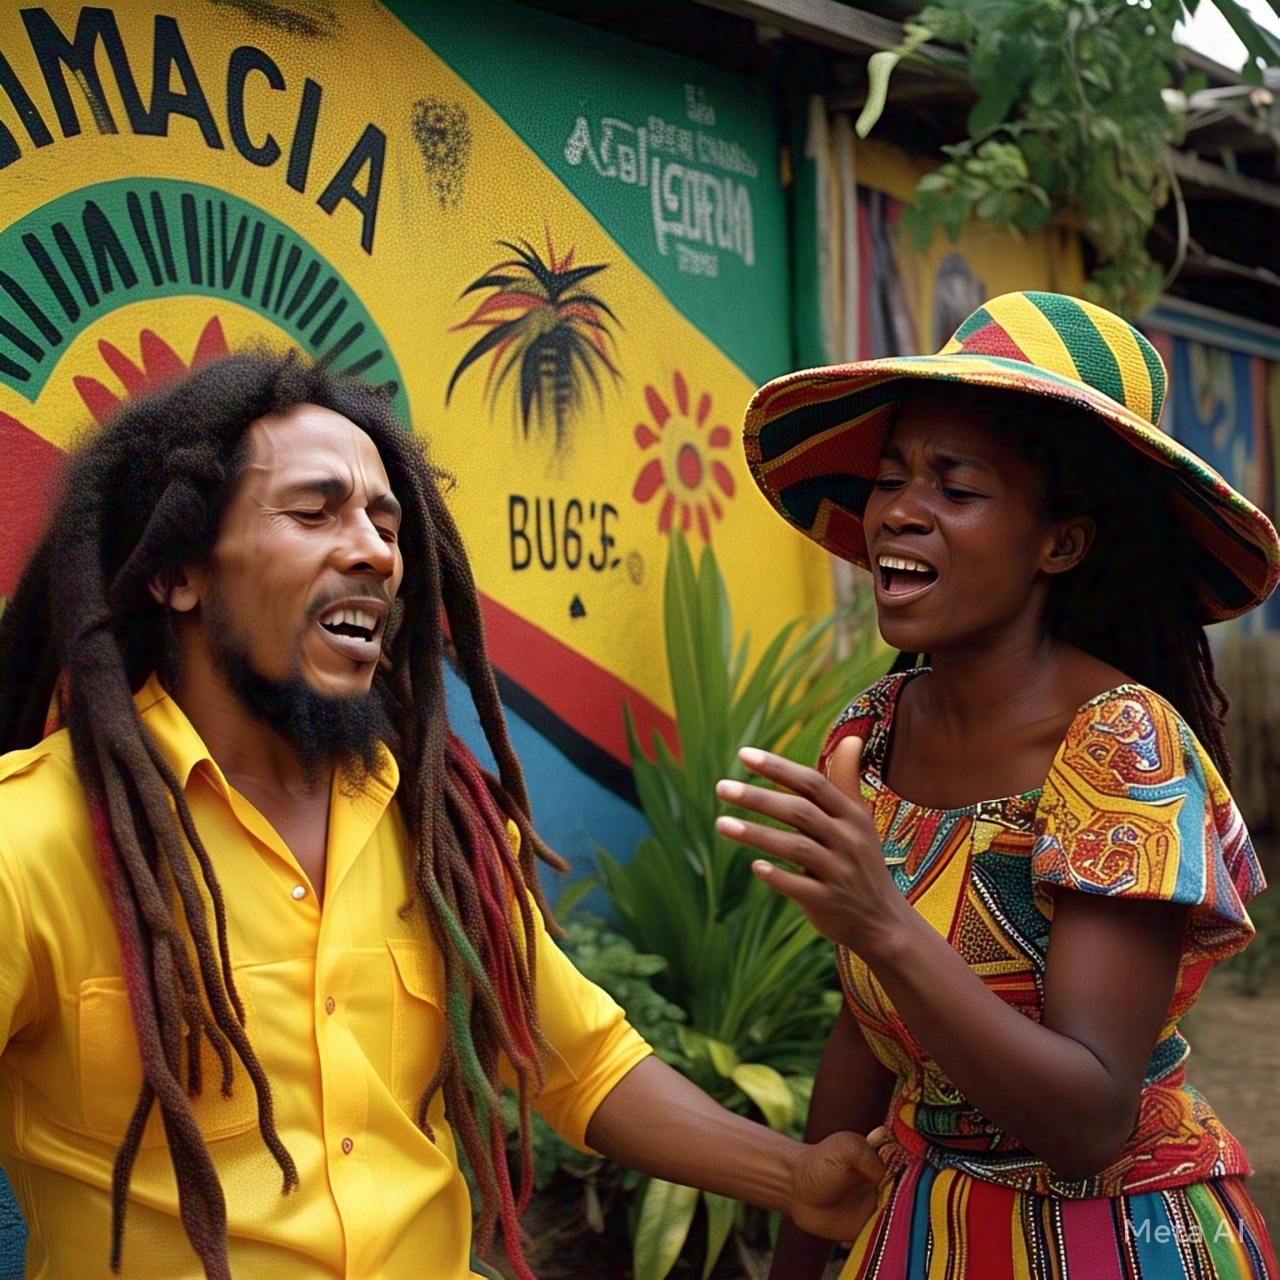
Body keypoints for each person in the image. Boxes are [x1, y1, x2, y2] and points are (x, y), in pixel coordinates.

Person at [0, 349, 887, 1280]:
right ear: (178, 571)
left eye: (385, 523)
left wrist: (793, 1178)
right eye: (314, 512)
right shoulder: (34, 840)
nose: (375, 552)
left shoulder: (431, 828)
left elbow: (580, 1062)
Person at [720, 291, 1280, 1279]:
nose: (899, 510)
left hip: (1117, 1239)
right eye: (890, 478)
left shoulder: (1119, 750)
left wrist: (882, 919)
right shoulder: (871, 733)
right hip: (920, 1225)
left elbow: (1086, 1120)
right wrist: (798, 1257)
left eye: (956, 486)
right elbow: (865, 1026)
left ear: (1059, 543)